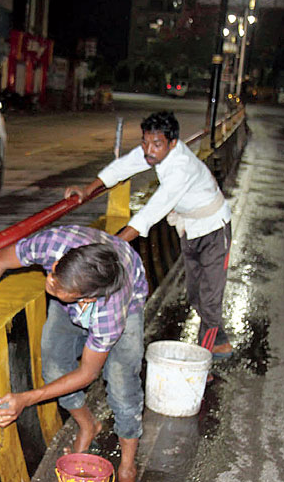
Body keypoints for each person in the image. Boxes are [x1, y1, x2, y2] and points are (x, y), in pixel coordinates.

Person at [0, 224, 148, 482]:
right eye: (54, 272)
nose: (50, 282)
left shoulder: (110, 311)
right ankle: (87, 426)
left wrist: (27, 398)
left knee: (121, 381)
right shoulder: (52, 245)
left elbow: (87, 374)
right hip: (78, 291)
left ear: (87, 298)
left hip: (128, 300)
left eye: (59, 286)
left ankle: (128, 467)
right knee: (54, 364)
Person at [66, 111, 233, 359]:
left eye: (156, 144)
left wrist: (114, 243)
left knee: (209, 299)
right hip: (190, 228)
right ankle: (219, 339)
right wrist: (86, 190)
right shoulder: (153, 154)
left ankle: (205, 359)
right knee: (196, 293)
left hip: (214, 229)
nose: (148, 149)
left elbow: (150, 213)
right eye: (145, 142)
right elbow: (121, 168)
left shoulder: (181, 168)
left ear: (173, 143)